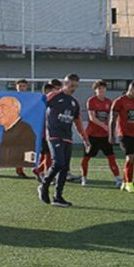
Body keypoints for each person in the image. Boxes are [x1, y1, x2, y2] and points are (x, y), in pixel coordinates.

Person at [38, 74, 87, 207]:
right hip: (54, 135)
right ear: (64, 83)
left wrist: (85, 138)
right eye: (71, 85)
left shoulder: (74, 102)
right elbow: (37, 106)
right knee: (58, 163)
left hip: (67, 137)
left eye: (75, 86)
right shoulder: (53, 95)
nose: (73, 88)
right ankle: (44, 186)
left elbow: (78, 122)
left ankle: (58, 197)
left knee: (65, 167)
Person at [81, 80, 122, 188]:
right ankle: (84, 178)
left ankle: (118, 178)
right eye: (99, 88)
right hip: (92, 135)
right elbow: (92, 118)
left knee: (111, 157)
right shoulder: (91, 101)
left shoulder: (109, 102)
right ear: (95, 90)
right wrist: (104, 126)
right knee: (86, 158)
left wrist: (111, 130)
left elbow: (110, 117)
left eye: (103, 88)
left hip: (104, 136)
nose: (101, 90)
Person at [110, 81, 134, 193]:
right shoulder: (120, 101)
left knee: (132, 159)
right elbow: (113, 118)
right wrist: (111, 135)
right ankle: (129, 183)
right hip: (124, 134)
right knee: (130, 157)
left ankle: (125, 182)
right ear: (130, 89)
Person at [0, 96, 37, 169]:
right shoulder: (2, 130)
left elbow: (30, 157)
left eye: (3, 108)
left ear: (15, 109)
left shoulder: (25, 129)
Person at [14, 79, 31, 178]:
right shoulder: (12, 98)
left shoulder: (30, 98)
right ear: (16, 87)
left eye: (23, 86)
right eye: (19, 86)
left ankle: (20, 169)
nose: (21, 88)